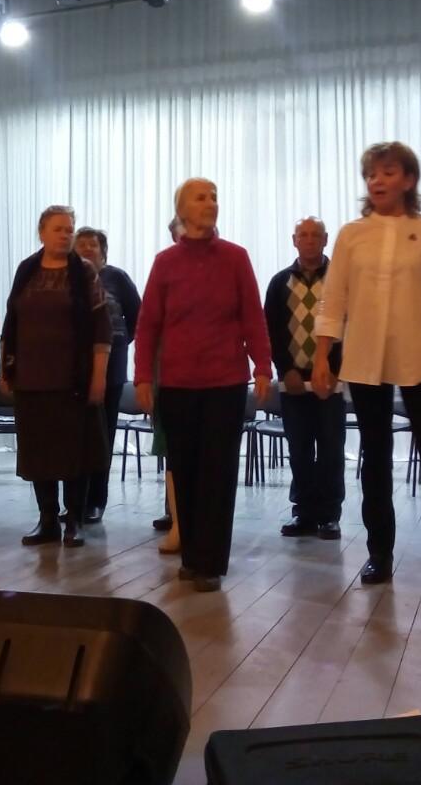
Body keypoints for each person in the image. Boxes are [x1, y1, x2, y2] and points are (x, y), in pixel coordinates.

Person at [312, 142, 421, 592]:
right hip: (364, 359)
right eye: (372, 174)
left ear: (408, 180)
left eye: (388, 172)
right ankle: (379, 553)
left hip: (418, 358)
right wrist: (321, 356)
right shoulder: (352, 235)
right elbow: (333, 299)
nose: (377, 181)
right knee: (374, 458)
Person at [134, 179, 271, 591]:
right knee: (185, 469)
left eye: (214, 196)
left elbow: (253, 316)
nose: (210, 202)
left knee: (218, 471)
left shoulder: (235, 258)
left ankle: (210, 562)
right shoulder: (165, 263)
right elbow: (148, 324)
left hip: (225, 382)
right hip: (177, 383)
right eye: (201, 197)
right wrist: (143, 376)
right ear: (182, 210)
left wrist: (263, 366)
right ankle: (192, 556)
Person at [1, 205, 111, 549]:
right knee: (39, 452)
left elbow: (101, 328)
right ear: (42, 232)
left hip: (73, 379)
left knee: (74, 452)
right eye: (58, 229)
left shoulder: (85, 272)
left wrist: (99, 375)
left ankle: (73, 520)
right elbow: (11, 321)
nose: (65, 235)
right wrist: (6, 369)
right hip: (32, 377)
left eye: (69, 229)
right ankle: (47, 519)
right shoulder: (26, 269)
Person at [263, 217, 344, 540]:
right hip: (294, 381)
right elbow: (271, 331)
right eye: (303, 235)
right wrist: (286, 370)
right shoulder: (278, 283)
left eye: (315, 235)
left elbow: (351, 326)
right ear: (294, 240)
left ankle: (329, 515)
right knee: (299, 450)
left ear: (325, 239)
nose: (309, 240)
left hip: (332, 381)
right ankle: (304, 513)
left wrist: (337, 369)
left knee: (331, 449)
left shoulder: (342, 280)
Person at [75, 226, 140, 524]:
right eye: (81, 244)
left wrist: (118, 341)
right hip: (74, 367)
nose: (87, 249)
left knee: (102, 434)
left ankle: (95, 501)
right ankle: (74, 501)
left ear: (103, 250)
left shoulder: (117, 278)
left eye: (93, 244)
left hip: (110, 368)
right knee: (75, 436)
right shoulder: (67, 277)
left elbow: (137, 318)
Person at [153, 215, 183, 553]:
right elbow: (149, 325)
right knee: (171, 448)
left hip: (210, 376)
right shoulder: (164, 267)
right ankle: (174, 513)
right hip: (169, 375)